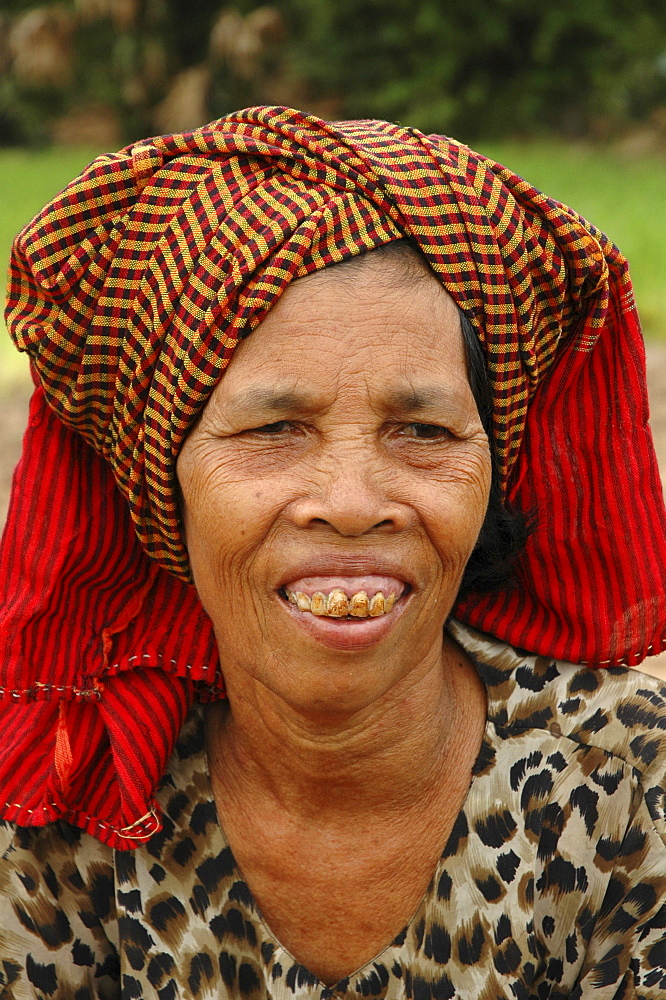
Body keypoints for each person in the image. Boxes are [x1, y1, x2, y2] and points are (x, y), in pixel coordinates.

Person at [1, 105, 665, 999]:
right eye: (275, 428)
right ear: (163, 478)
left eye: (423, 430)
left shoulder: (632, 784)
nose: (352, 505)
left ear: (493, 473)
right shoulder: (60, 788)